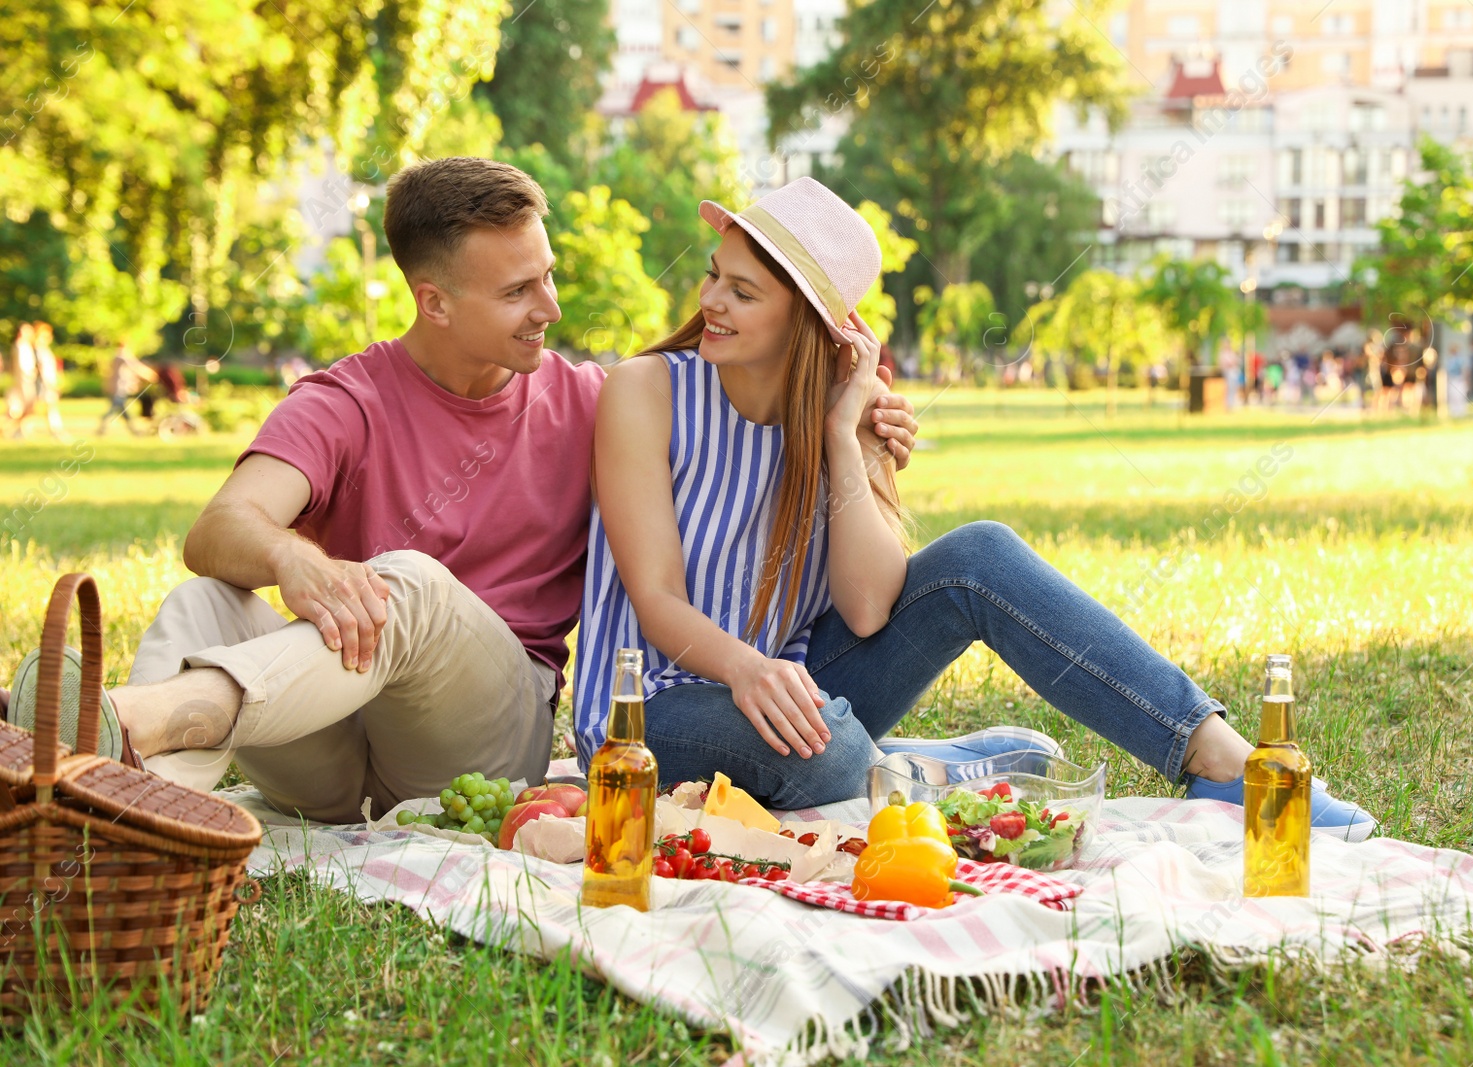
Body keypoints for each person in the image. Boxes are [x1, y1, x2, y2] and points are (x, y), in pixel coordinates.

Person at [3, 158, 918, 824]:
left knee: (407, 580)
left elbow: (755, 373)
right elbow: (221, 529)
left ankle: (126, 722)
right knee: (205, 601)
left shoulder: (595, 403)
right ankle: (96, 813)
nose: (552, 308)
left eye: (548, 274)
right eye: (520, 290)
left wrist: (861, 406)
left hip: (482, 734)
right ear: (434, 301)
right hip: (326, 736)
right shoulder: (345, 399)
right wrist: (292, 558)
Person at [574, 178, 1375, 839]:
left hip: (794, 689)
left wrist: (845, 443)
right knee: (831, 756)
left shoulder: (841, 414)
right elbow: (656, 600)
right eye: (715, 274)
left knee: (980, 557)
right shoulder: (646, 391)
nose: (711, 298)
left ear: (808, 323)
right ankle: (928, 766)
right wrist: (748, 669)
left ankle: (1222, 759)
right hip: (656, 710)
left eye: (741, 290)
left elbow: (867, 604)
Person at [98, 340, 158, 435]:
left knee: (122, 411)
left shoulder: (116, 356)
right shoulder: (122, 356)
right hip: (118, 389)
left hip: (117, 388)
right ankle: (102, 429)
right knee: (115, 409)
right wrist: (150, 375)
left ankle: (133, 430)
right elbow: (136, 367)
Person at [30, 322, 65, 439]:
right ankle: (56, 432)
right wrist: (50, 384)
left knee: (47, 408)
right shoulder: (38, 350)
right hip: (44, 383)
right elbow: (41, 369)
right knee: (35, 409)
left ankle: (56, 431)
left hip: (48, 383)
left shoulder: (44, 349)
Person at [5, 321, 37, 437]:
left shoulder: (26, 346)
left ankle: (21, 431)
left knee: (27, 407)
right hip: (24, 381)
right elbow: (22, 366)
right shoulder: (19, 346)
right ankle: (10, 429)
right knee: (24, 407)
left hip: (27, 380)